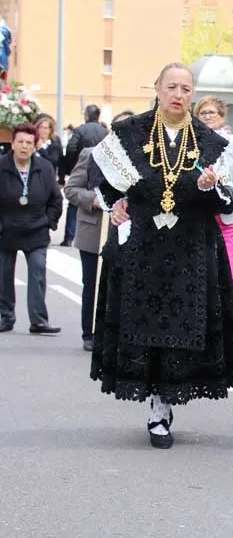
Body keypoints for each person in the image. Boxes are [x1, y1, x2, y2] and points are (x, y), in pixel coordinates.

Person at [89, 62, 233, 449]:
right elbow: (105, 185)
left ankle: (163, 404)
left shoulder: (210, 142)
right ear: (158, 89)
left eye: (186, 89)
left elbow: (227, 202)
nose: (179, 95)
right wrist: (116, 205)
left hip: (191, 250)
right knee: (144, 329)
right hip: (141, 248)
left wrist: (210, 187)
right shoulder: (130, 133)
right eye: (172, 87)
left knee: (179, 331)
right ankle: (155, 404)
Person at [64, 109, 135, 352]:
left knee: (123, 285)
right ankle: (90, 332)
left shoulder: (141, 160)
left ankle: (118, 333)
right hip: (95, 230)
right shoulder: (92, 154)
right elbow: (71, 189)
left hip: (126, 230)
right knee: (92, 283)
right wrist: (93, 200)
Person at [0, 123, 63, 335]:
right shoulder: (2, 166)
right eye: (20, 142)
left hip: (36, 230)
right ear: (12, 143)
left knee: (38, 274)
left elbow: (55, 199)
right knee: (3, 276)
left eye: (29, 142)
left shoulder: (44, 167)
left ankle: (38, 320)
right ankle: (6, 316)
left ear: (35, 145)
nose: (24, 146)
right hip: (6, 231)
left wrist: (49, 222)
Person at [194, 95, 233, 280]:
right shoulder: (191, 145)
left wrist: (229, 201)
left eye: (211, 112)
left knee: (225, 275)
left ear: (221, 116)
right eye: (202, 113)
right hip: (199, 218)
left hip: (228, 219)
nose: (207, 116)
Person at [62, 104, 108, 246]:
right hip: (100, 173)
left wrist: (71, 167)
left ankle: (69, 237)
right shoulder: (104, 131)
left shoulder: (81, 130)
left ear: (86, 115)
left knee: (74, 205)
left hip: (82, 169)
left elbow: (71, 148)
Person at [33, 113, 65, 187]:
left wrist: (41, 149)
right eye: (40, 127)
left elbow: (53, 161)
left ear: (50, 130)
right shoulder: (31, 142)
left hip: (48, 180)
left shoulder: (54, 144)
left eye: (45, 128)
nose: (42, 130)